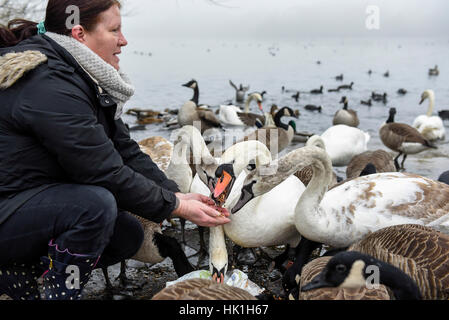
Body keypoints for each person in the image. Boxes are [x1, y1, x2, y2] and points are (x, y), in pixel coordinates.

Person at [0, 0, 230, 300]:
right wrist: (176, 205)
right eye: (114, 30)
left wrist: (175, 193)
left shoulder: (82, 77)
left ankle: (19, 273)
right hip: (9, 206)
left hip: (27, 201)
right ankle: (58, 294)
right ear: (80, 34)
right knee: (93, 206)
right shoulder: (48, 83)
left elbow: (124, 150)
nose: (124, 40)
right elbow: (101, 170)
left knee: (127, 235)